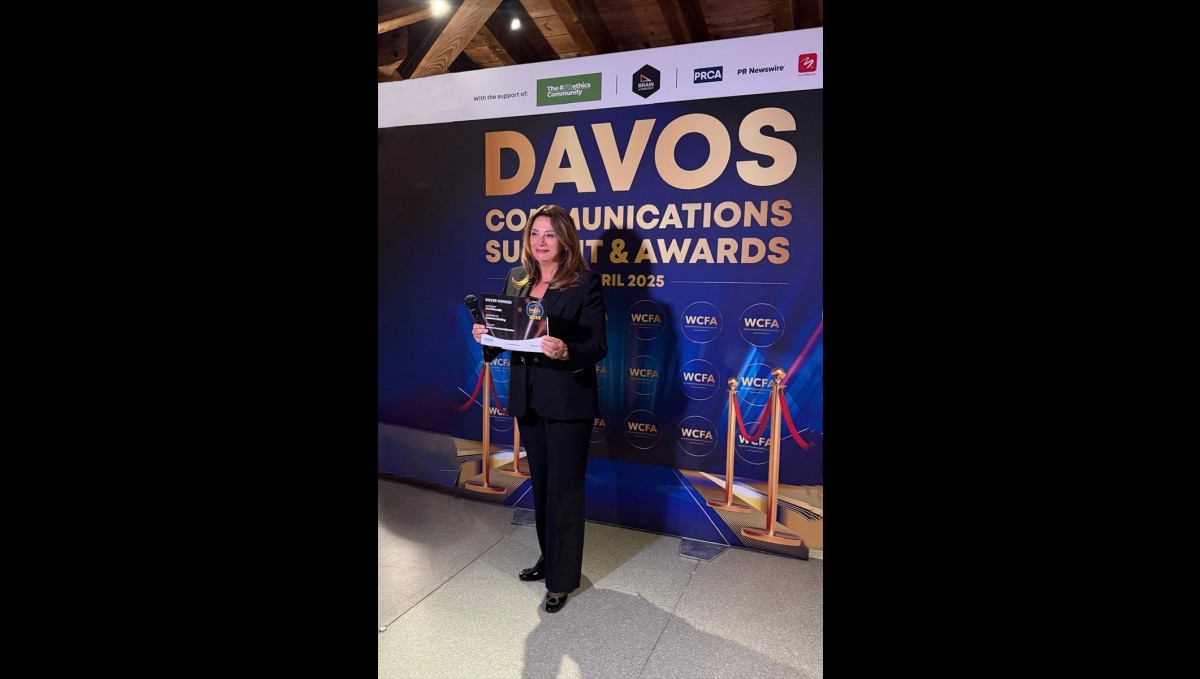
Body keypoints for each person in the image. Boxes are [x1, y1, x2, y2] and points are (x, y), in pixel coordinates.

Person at [472, 204, 607, 613]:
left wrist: (566, 350)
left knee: (565, 491)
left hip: (567, 400)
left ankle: (561, 581)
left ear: (565, 240)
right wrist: (485, 336)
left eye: (549, 234)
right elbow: (505, 340)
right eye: (534, 234)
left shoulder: (585, 282)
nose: (540, 242)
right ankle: (551, 560)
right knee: (544, 486)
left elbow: (597, 345)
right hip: (527, 399)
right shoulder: (518, 279)